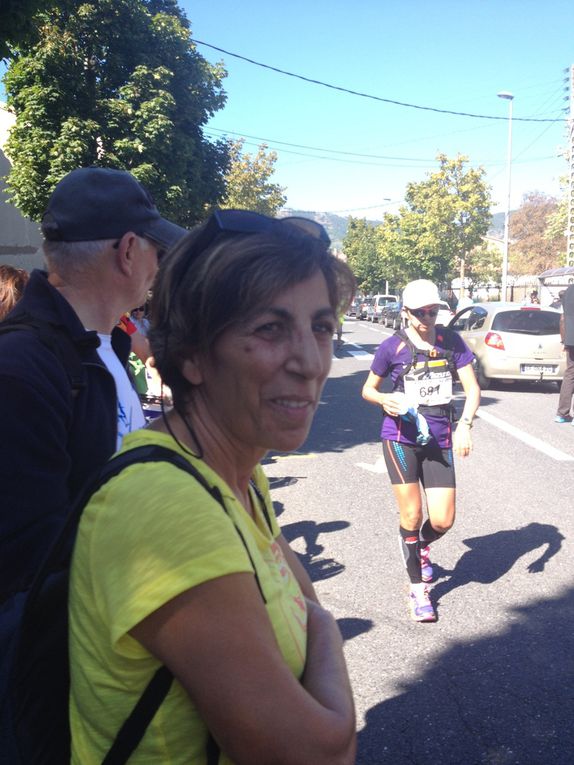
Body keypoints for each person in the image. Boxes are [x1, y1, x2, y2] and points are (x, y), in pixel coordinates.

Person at [68, 209, 357, 764]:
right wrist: (326, 634)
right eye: (271, 329)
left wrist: (319, 635)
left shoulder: (235, 474)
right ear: (194, 355)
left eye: (320, 327)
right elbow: (318, 756)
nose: (310, 362)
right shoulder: (163, 504)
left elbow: (300, 598)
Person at [0, 166, 186, 607]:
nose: (158, 267)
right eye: (156, 251)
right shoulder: (22, 369)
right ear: (127, 251)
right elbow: (31, 564)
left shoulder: (102, 347)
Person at [362, 279, 480, 622]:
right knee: (411, 515)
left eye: (434, 310)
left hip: (440, 439)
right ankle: (418, 592)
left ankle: (421, 547)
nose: (428, 318)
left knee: (443, 520)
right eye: (421, 312)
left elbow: (472, 390)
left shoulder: (451, 342)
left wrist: (465, 426)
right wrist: (385, 398)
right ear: (406, 313)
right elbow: (368, 389)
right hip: (400, 438)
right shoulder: (391, 347)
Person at [555, 283, 574, 423]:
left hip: (570, 339)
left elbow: (563, 319)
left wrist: (564, 341)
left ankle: (562, 413)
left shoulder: (568, 291)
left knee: (570, 374)